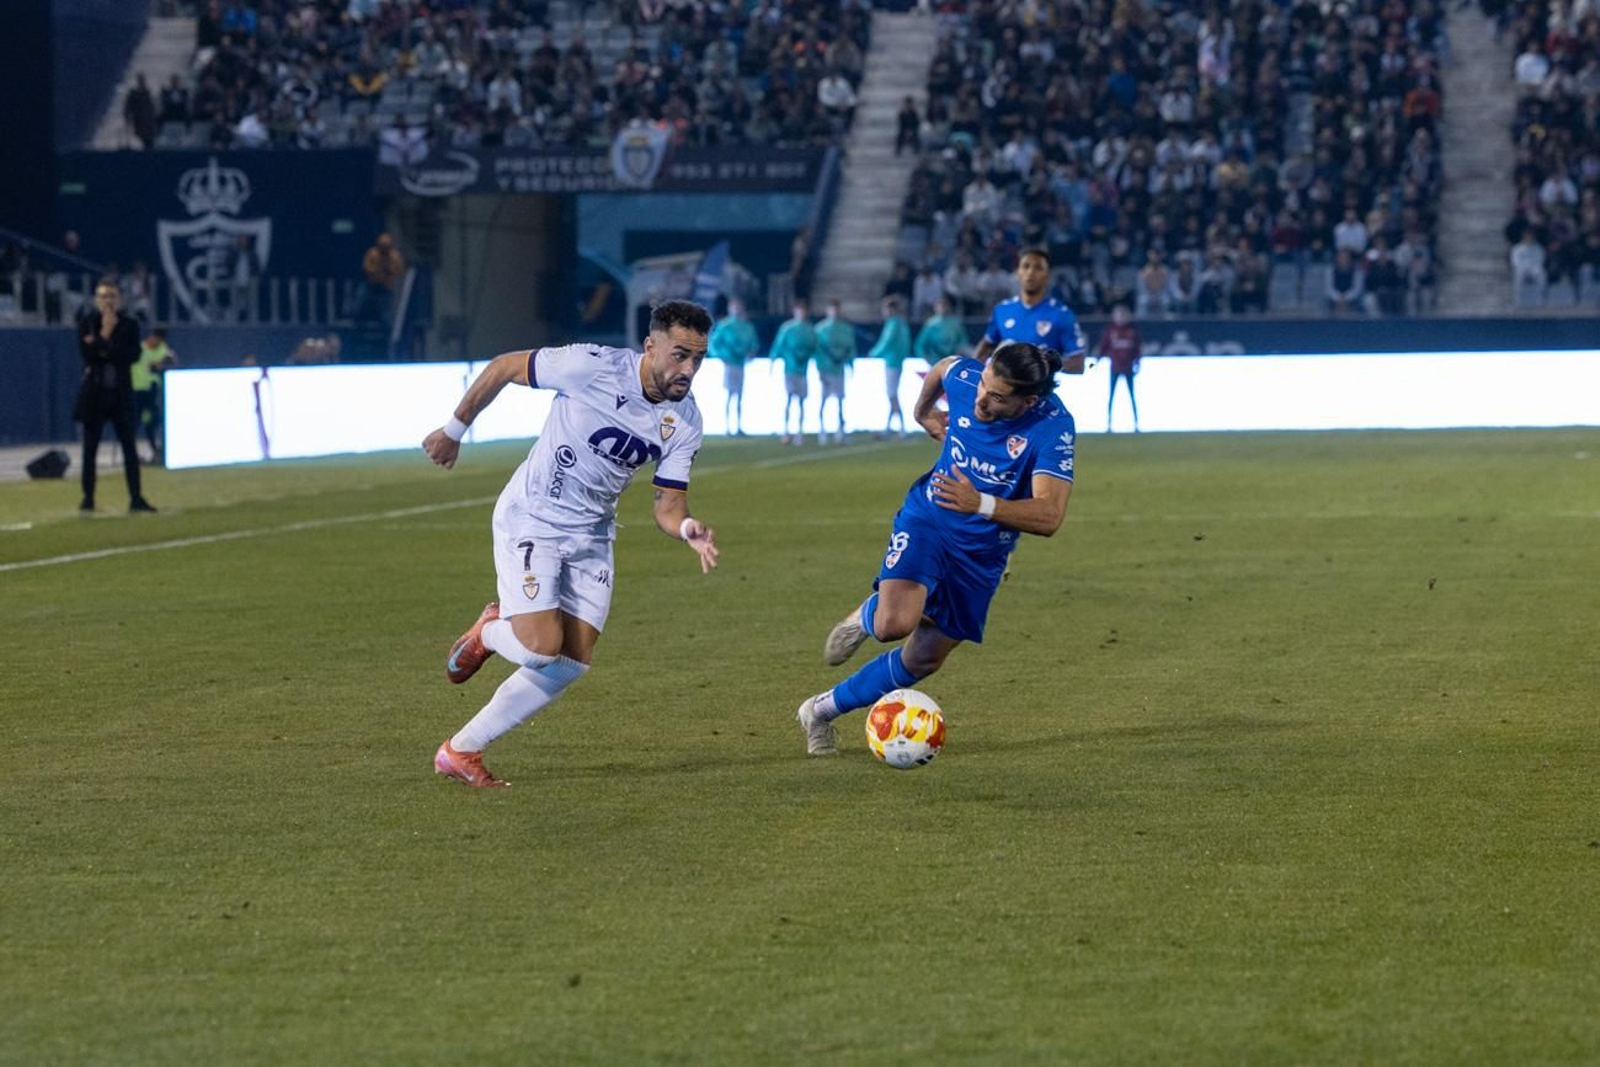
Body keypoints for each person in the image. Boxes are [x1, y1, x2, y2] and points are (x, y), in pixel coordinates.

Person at [421, 300, 721, 788]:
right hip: (532, 517)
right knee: (540, 649)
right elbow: (503, 367)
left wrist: (688, 530)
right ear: (651, 346)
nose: (688, 369)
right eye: (680, 355)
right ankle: (489, 632)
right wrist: (454, 430)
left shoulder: (684, 420)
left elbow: (668, 507)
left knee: (571, 663)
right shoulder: (591, 367)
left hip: (593, 534)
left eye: (698, 359)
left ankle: (461, 750)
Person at [794, 342, 1075, 756]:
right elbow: (944, 368)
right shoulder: (967, 379)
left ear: (1028, 400)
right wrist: (922, 411)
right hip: (930, 517)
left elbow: (1049, 515)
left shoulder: (1052, 426)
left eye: (997, 397)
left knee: (923, 659)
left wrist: (979, 502)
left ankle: (819, 711)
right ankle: (871, 614)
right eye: (983, 385)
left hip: (982, 551)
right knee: (894, 624)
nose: (981, 400)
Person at [75, 280, 156, 513]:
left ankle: (136, 497)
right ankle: (88, 497)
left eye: (112, 296)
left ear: (119, 299)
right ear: (96, 299)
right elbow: (88, 355)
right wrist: (106, 334)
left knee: (129, 447)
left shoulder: (129, 325)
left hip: (120, 394)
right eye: (103, 296)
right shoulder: (87, 323)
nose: (108, 300)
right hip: (95, 394)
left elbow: (132, 355)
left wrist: (103, 347)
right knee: (90, 449)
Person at [974, 248, 1087, 374]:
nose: (1031, 272)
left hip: (1041, 392)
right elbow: (983, 349)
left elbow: (1078, 364)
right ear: (1018, 272)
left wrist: (1041, 363)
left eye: (1038, 268)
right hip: (1005, 391)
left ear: (1047, 276)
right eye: (1026, 266)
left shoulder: (1062, 314)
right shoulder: (1002, 310)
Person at [707, 298, 759, 434]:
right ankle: (728, 427)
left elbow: (754, 343)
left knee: (739, 396)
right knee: (730, 395)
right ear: (730, 309)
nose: (736, 310)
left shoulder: (747, 326)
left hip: (740, 365)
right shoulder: (725, 325)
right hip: (730, 365)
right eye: (734, 307)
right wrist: (722, 356)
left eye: (738, 307)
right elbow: (713, 344)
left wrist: (751, 353)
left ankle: (738, 426)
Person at [770, 298, 818, 446]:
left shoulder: (810, 329)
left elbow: (815, 348)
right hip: (790, 370)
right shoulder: (788, 328)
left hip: (803, 371)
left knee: (802, 402)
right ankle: (786, 430)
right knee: (790, 399)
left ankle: (799, 432)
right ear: (795, 312)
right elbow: (778, 345)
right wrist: (772, 360)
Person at [1093, 304, 1142, 432]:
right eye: (1118, 314)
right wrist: (1096, 361)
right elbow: (1103, 347)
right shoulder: (1110, 331)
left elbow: (1137, 349)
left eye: (1123, 315)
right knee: (1112, 396)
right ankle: (1109, 424)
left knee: (1132, 396)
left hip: (1128, 368)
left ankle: (1136, 424)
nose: (1121, 317)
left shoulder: (1132, 331)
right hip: (1114, 367)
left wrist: (1138, 363)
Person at [132, 326, 177, 462]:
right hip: (137, 390)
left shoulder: (163, 349)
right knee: (135, 423)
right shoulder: (140, 349)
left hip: (152, 390)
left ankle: (156, 452)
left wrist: (165, 362)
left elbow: (171, 361)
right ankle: (133, 454)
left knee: (152, 422)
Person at [813, 299, 856, 445]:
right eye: (832, 309)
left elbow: (850, 348)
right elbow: (817, 351)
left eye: (837, 309)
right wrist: (819, 368)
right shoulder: (820, 329)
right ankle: (822, 430)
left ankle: (840, 431)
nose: (835, 312)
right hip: (826, 369)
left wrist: (850, 364)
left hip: (839, 370)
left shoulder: (846, 328)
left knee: (840, 401)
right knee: (824, 400)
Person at [867, 296, 911, 437]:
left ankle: (902, 427)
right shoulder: (902, 324)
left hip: (892, 362)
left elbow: (886, 342)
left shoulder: (893, 324)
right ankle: (889, 427)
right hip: (897, 362)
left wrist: (873, 353)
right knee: (892, 394)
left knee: (892, 394)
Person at [913, 295, 968, 365]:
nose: (942, 307)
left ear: (949, 307)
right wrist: (927, 358)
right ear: (935, 308)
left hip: (952, 362)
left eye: (945, 305)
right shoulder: (931, 324)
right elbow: (920, 345)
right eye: (940, 305)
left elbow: (963, 341)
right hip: (935, 361)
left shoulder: (955, 322)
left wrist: (959, 355)